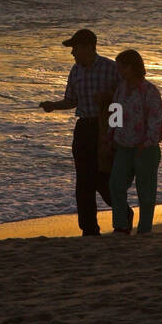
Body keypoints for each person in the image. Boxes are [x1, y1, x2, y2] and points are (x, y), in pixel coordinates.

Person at [39, 28, 131, 235]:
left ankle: (123, 217)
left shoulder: (111, 68)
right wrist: (53, 105)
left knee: (103, 177)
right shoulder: (76, 71)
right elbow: (72, 101)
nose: (72, 53)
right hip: (83, 127)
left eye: (75, 48)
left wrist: (111, 119)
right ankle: (89, 229)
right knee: (83, 181)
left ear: (89, 47)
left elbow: (125, 99)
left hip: (106, 126)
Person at [108, 49, 162, 236]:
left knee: (145, 192)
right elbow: (114, 111)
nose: (119, 71)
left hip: (145, 148)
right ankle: (121, 225)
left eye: (122, 67)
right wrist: (112, 136)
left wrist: (147, 142)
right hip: (123, 146)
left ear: (132, 67)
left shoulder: (149, 91)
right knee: (116, 185)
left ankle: (144, 230)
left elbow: (157, 121)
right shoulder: (121, 89)